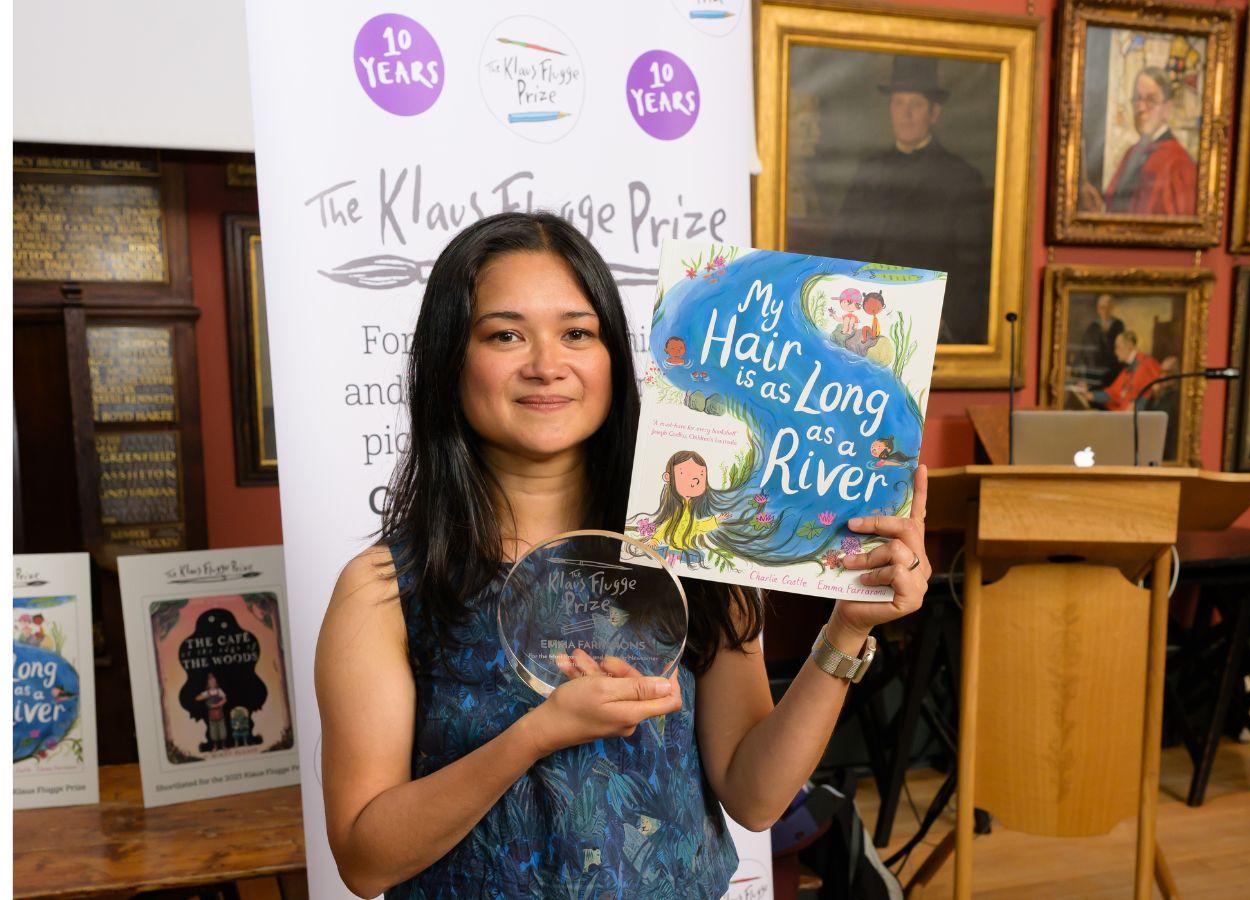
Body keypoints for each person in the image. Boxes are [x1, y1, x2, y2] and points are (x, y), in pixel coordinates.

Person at [316, 212, 930, 898]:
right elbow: (364, 862)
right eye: (505, 335)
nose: (547, 365)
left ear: (613, 358)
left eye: (577, 333)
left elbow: (756, 798)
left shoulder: (691, 549)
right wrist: (535, 735)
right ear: (449, 360)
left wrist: (846, 630)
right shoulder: (386, 590)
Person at [825, 55, 992, 345]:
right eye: (899, 103)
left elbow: (973, 270)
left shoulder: (962, 178)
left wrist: (944, 319)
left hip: (925, 323)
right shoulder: (869, 170)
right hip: (861, 320)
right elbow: (841, 245)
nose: (906, 114)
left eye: (916, 104)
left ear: (934, 113)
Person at [1080, 67, 1197, 216]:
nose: (1140, 108)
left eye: (1151, 100)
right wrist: (1099, 210)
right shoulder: (1132, 153)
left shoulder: (1179, 163)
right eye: (1137, 99)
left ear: (1167, 109)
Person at [1070, 330, 1163, 411]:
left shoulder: (1147, 362)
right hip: (1124, 417)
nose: (1115, 352)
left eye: (1118, 347)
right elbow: (1113, 394)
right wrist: (1089, 395)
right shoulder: (1126, 370)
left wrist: (1137, 406)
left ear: (1130, 346)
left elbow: (1156, 391)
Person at [1077, 294, 1126, 389]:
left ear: (1112, 308)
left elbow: (1123, 348)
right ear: (1098, 309)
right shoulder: (1091, 328)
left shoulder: (1118, 325)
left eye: (1108, 307)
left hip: (1114, 373)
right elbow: (1084, 354)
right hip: (1095, 374)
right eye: (1102, 307)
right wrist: (1083, 377)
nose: (1105, 310)